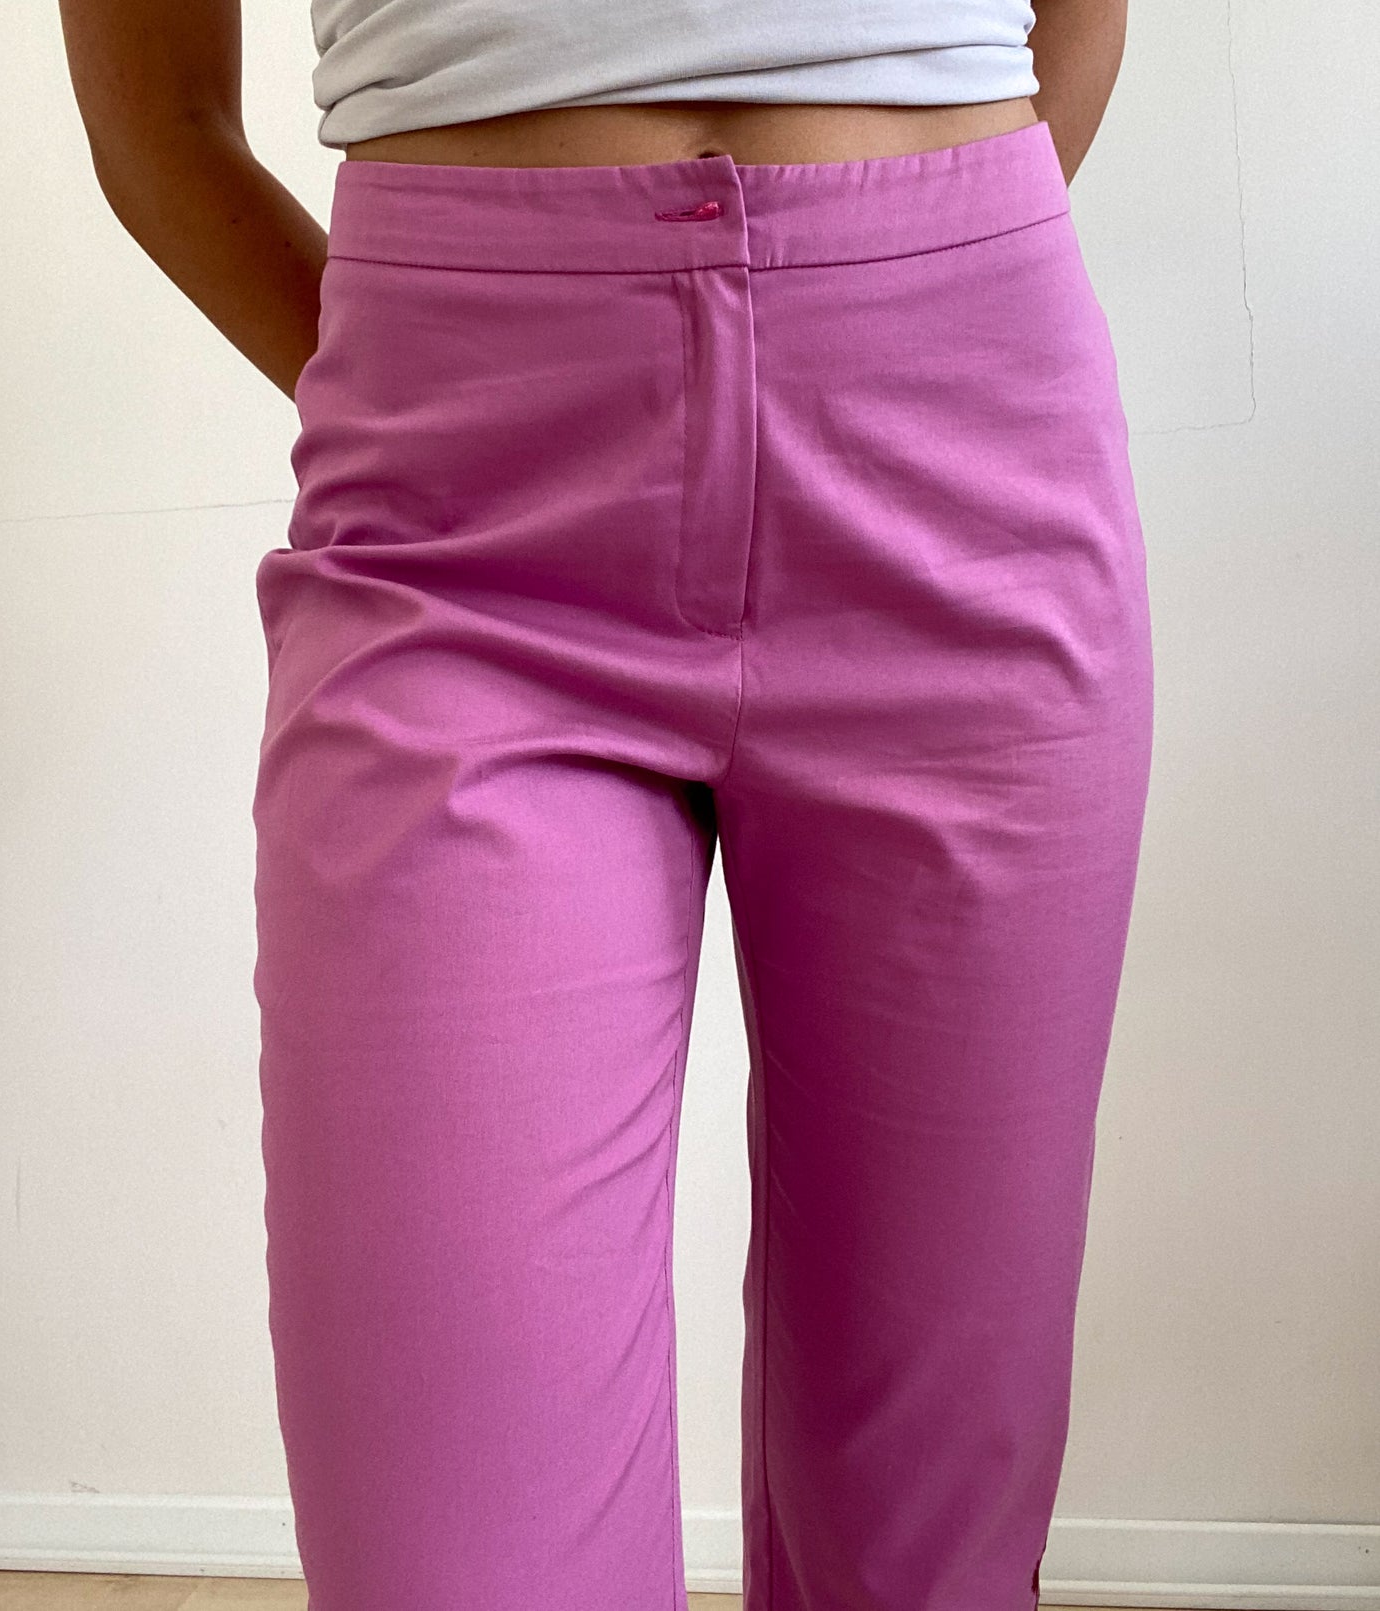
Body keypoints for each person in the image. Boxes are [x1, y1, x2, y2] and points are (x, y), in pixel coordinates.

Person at [59, 2, 1151, 1607]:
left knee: (928, 1518)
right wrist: (455, 381)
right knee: (454, 1547)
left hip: (966, 481)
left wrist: (892, 277)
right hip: (464, 525)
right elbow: (160, 129)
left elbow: (1073, 32)